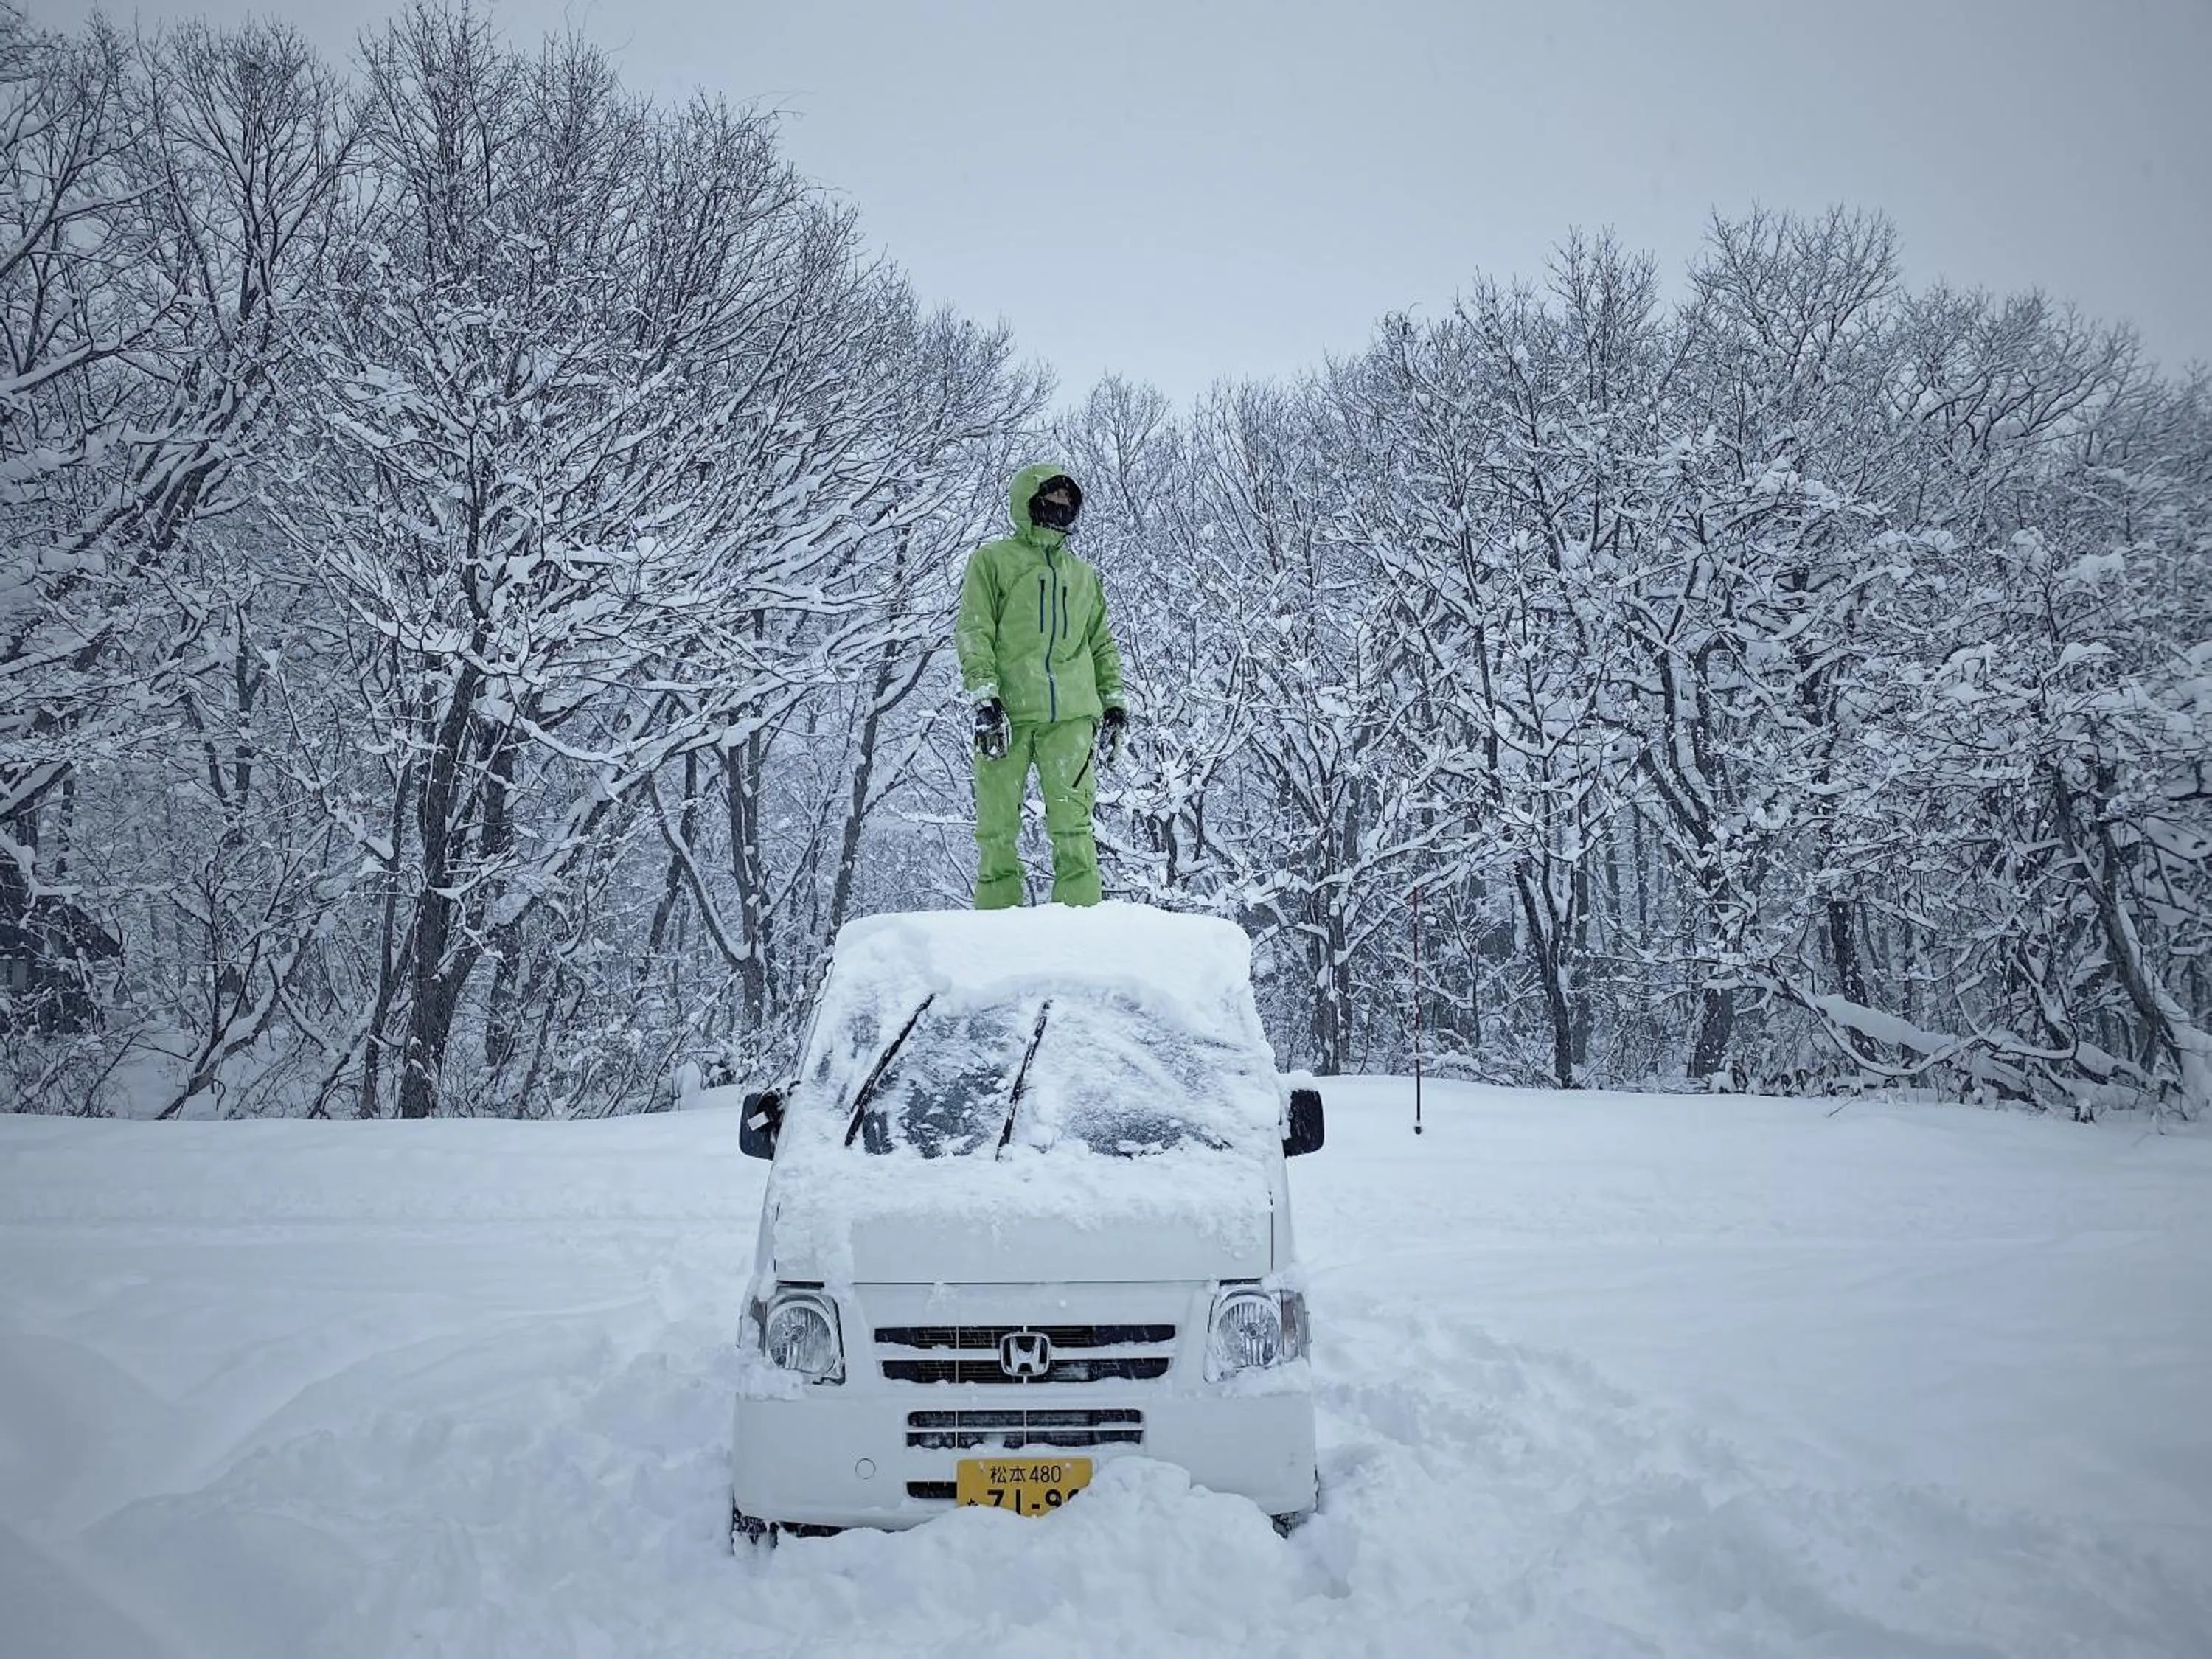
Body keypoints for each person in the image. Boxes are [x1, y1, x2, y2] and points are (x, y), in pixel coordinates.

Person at [955, 464, 1129, 908]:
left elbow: (1101, 642)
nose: (1060, 507)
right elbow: (975, 629)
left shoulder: (1083, 575)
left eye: (1068, 501)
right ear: (1028, 502)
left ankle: (1079, 925)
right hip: (1006, 713)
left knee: (1074, 827)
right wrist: (984, 696)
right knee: (996, 827)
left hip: (1071, 716)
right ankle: (995, 925)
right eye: (1051, 498)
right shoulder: (993, 561)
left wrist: (1114, 703)